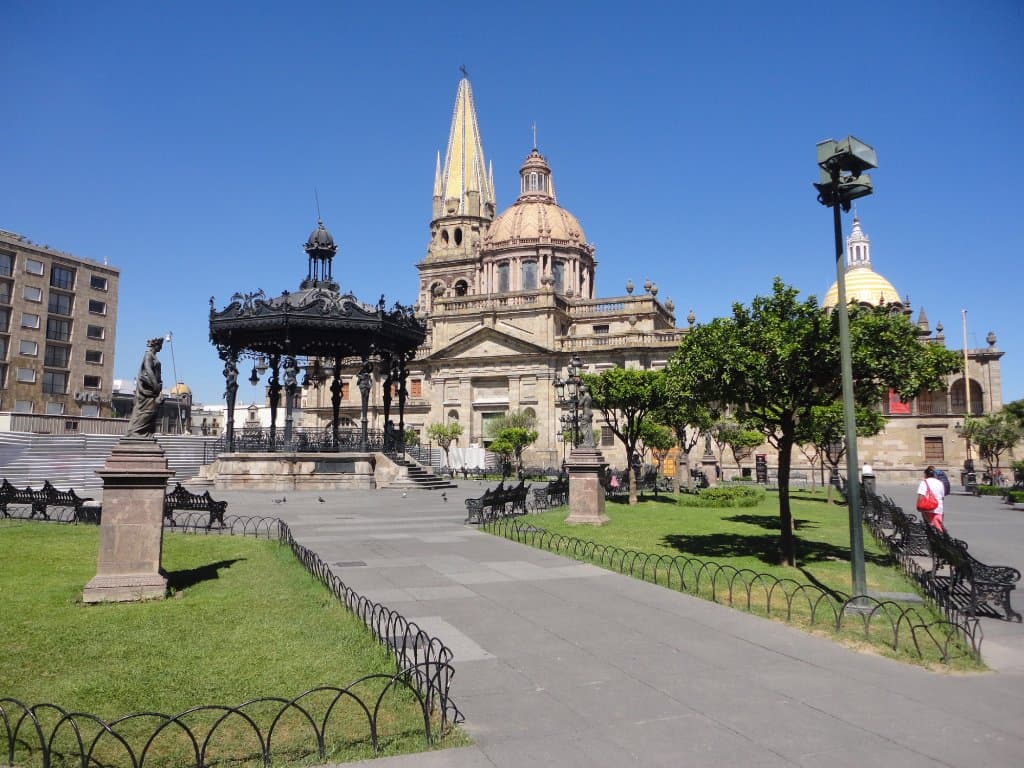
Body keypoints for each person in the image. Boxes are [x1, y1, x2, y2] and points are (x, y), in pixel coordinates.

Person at [125, 337, 164, 438]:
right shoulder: (148, 355)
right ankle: (135, 432)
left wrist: (159, 385)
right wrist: (155, 385)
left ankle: (143, 432)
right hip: (147, 389)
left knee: (152, 411)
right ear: (155, 345)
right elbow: (148, 369)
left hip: (153, 390)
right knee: (148, 410)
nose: (161, 348)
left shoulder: (153, 356)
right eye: (160, 345)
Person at [917, 465, 946, 532]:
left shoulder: (924, 482)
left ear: (926, 474)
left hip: (927, 508)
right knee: (938, 527)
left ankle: (934, 536)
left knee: (930, 527)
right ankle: (940, 536)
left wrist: (918, 506)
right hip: (938, 508)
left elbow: (921, 495)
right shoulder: (940, 483)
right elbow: (942, 497)